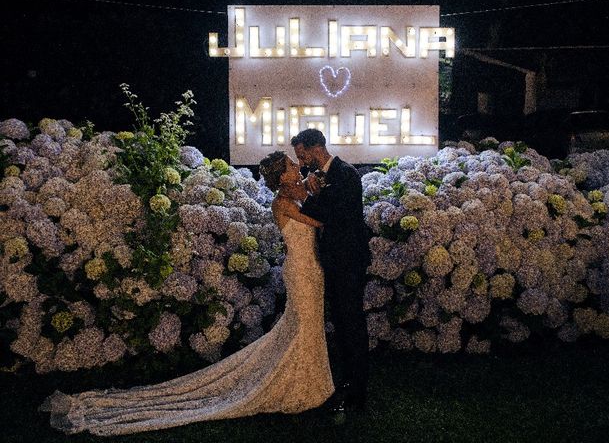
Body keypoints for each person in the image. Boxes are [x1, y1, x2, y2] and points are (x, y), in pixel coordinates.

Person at [39, 151, 334, 436]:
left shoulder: (295, 194)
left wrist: (311, 188)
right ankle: (301, 384)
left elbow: (310, 202)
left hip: (311, 268)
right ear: (282, 175)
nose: (297, 165)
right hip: (301, 270)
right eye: (291, 165)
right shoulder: (284, 201)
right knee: (305, 323)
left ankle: (310, 380)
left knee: (306, 323)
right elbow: (320, 222)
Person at [291, 129, 371, 413]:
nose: (301, 162)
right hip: (336, 262)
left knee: (351, 323)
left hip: (348, 262)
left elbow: (329, 214)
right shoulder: (322, 177)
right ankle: (348, 380)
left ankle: (358, 388)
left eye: (302, 155)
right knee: (342, 322)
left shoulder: (346, 174)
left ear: (316, 149)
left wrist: (312, 193)